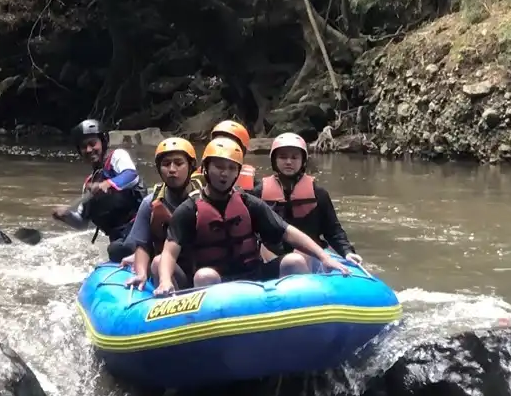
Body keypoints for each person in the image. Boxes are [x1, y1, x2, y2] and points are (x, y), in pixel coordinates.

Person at [154, 137, 349, 296]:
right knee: (204, 276)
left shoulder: (249, 203)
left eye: (231, 168)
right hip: (217, 278)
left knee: (295, 261)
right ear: (205, 169)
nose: (225, 174)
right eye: (219, 167)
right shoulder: (190, 209)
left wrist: (324, 257)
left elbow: (288, 232)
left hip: (253, 275)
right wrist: (164, 281)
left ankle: (305, 315)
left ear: (238, 172)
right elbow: (170, 252)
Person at [252, 133, 363, 271]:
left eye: (294, 157)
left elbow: (333, 230)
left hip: (311, 254)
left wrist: (347, 252)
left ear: (303, 161)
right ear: (274, 160)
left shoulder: (318, 193)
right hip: (272, 255)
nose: (288, 162)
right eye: (283, 157)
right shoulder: (258, 193)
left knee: (301, 257)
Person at [51, 119, 147, 261]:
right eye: (84, 147)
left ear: (103, 141)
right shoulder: (89, 184)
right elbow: (82, 222)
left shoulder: (117, 157)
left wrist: (108, 184)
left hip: (140, 230)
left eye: (92, 143)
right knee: (116, 249)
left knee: (119, 249)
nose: (89, 150)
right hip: (118, 240)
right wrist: (66, 216)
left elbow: (131, 175)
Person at [123, 137, 203, 291]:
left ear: (191, 166)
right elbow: (143, 245)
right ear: (159, 169)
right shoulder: (150, 203)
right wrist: (141, 273)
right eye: (166, 164)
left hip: (201, 271)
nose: (172, 169)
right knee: (159, 261)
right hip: (168, 271)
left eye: (179, 163)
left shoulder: (205, 199)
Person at [190, 119, 257, 191]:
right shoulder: (196, 178)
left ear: (242, 151)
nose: (223, 147)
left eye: (230, 144)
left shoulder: (253, 181)